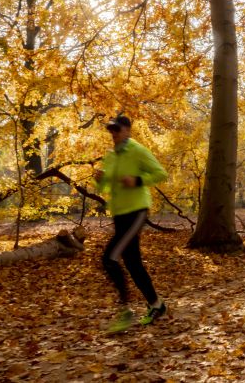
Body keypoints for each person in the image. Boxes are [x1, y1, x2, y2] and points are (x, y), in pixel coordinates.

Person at [95, 114, 168, 333]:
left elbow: (160, 173)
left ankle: (125, 311)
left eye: (117, 129)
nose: (113, 134)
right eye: (111, 130)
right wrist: (100, 180)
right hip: (119, 213)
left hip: (136, 211)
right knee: (133, 263)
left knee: (109, 258)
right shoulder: (111, 156)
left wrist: (136, 180)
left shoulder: (138, 151)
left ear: (127, 130)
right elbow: (106, 187)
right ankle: (157, 305)